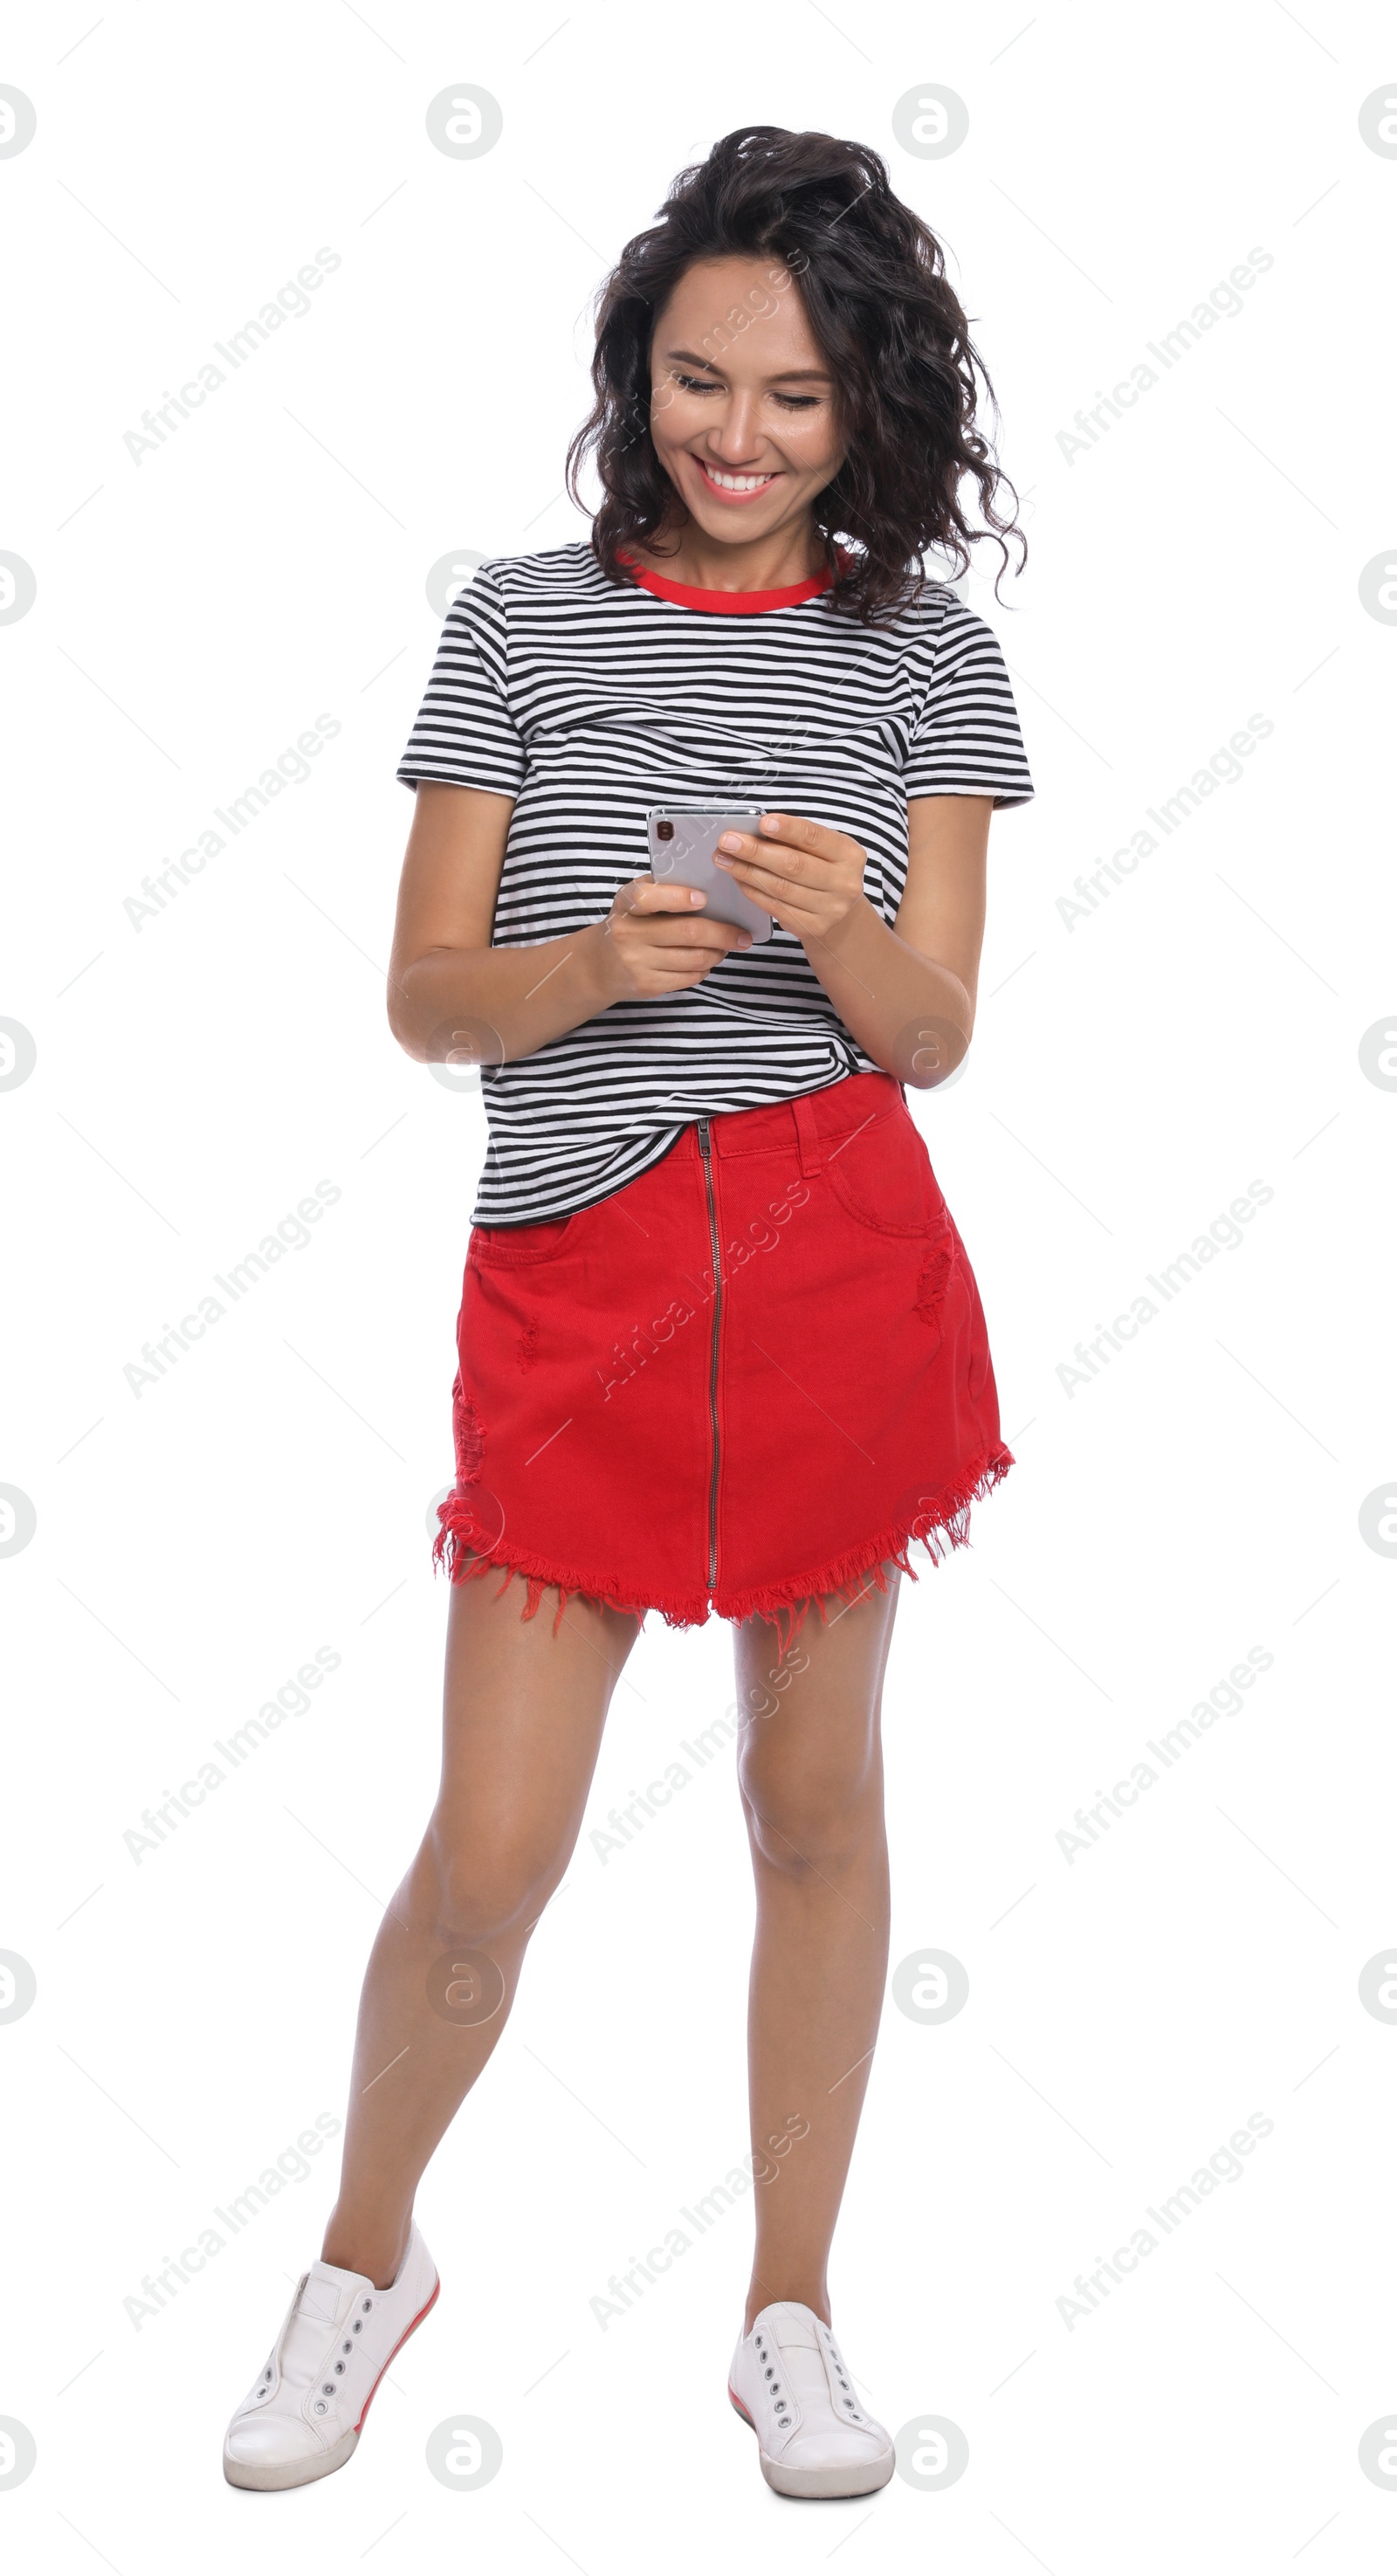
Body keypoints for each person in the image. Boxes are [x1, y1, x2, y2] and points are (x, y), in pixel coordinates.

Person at [223, 122, 1033, 2503]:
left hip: (831, 1263)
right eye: (698, 381)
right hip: (576, 1265)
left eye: (796, 400)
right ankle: (365, 2258)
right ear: (634, 371)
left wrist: (833, 926)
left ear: (870, 407)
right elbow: (421, 999)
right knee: (491, 1844)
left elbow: (937, 1029)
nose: (740, 437)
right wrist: (597, 960)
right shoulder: (515, 619)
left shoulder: (932, 662)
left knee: (810, 1807)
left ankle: (789, 2305)